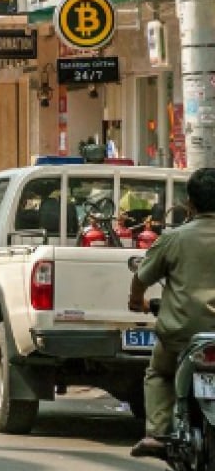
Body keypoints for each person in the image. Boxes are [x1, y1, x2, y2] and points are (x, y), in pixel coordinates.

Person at [129, 168, 215, 458]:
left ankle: (158, 433)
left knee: (159, 373)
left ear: (190, 203)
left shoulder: (173, 238)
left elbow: (141, 277)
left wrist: (136, 301)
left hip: (181, 335)